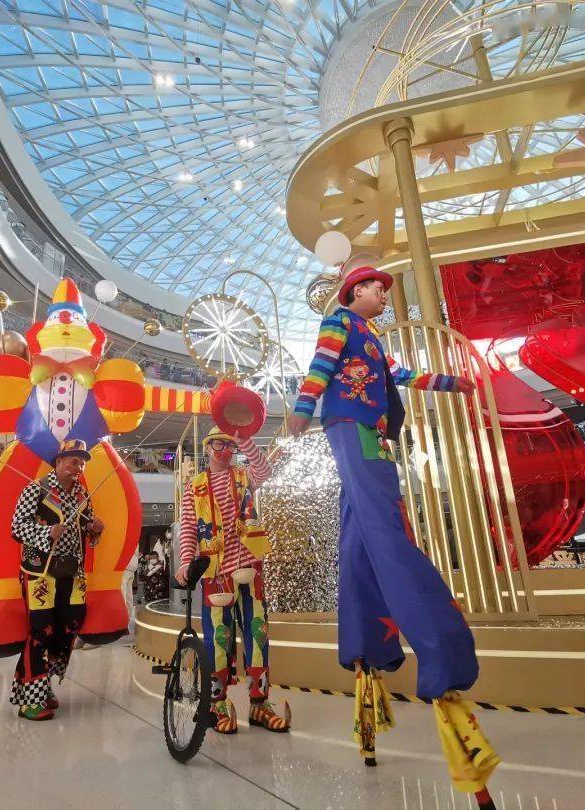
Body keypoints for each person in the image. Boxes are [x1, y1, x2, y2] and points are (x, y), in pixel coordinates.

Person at [288, 265, 498, 803]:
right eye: (377, 288)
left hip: (372, 433)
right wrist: (302, 410)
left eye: (384, 289)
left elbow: (401, 375)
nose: (384, 294)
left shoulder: (373, 336)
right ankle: (443, 652)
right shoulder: (339, 322)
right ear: (355, 291)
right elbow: (321, 365)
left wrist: (449, 382)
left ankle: (366, 656)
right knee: (388, 531)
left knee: (360, 538)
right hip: (351, 428)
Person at [176, 427, 289, 735]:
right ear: (207, 448)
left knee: (258, 634)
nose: (224, 450)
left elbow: (264, 470)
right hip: (216, 573)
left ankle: (259, 703)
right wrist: (185, 562)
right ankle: (218, 704)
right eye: (218, 444)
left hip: (250, 568)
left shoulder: (243, 476)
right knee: (218, 639)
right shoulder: (195, 487)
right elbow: (189, 528)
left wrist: (245, 441)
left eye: (228, 445)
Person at [10, 439, 104, 721]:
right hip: (40, 573)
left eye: (82, 463)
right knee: (41, 631)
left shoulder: (82, 494)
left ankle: (44, 685)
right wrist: (47, 532)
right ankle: (30, 700)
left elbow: (87, 531)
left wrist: (95, 529)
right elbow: (16, 527)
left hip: (72, 574)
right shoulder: (35, 489)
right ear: (59, 461)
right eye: (74, 461)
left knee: (68, 628)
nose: (79, 467)